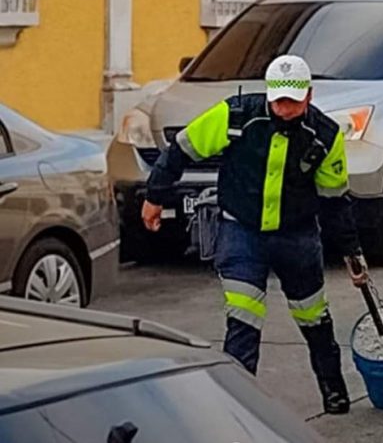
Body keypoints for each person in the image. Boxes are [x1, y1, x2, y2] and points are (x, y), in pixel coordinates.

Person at [141, 55, 367, 415]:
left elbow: (335, 202)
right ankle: (239, 407)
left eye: (293, 100)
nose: (284, 107)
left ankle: (333, 389)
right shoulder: (235, 116)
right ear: (268, 93)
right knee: (243, 318)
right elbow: (182, 149)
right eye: (279, 99)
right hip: (241, 232)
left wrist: (353, 254)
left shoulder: (325, 136)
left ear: (308, 95)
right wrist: (155, 196)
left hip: (297, 238)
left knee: (314, 318)